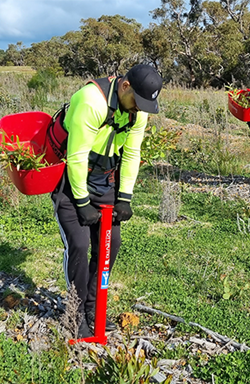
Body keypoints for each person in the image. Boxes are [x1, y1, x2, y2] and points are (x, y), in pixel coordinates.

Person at [50, 64, 163, 338]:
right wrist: (82, 202)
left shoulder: (138, 112)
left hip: (105, 179)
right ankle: (75, 315)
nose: (140, 109)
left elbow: (132, 153)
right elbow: (76, 156)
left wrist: (125, 197)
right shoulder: (92, 101)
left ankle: (93, 308)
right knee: (79, 244)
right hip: (71, 179)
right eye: (138, 101)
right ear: (125, 86)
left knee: (109, 247)